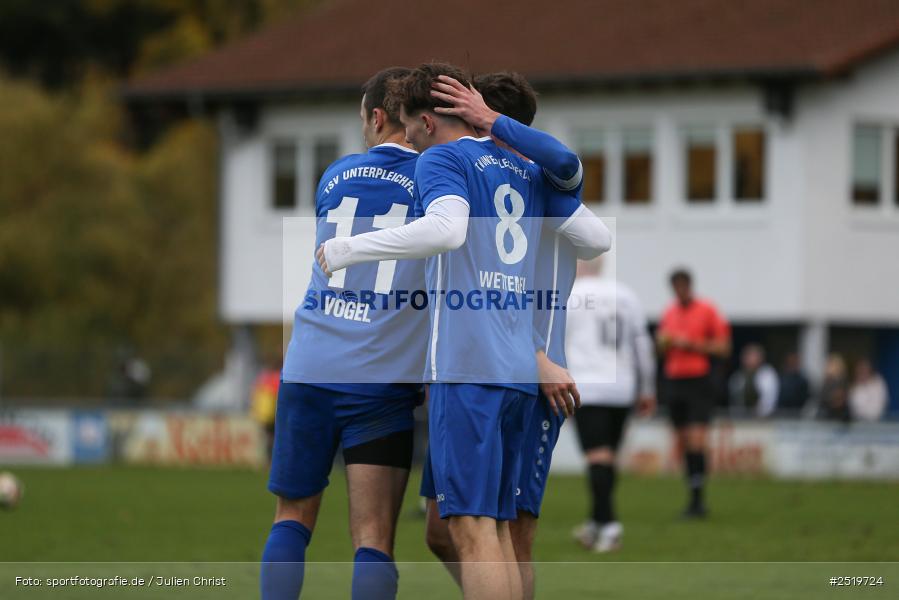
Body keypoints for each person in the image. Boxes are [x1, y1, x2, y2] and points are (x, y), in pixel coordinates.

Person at [318, 63, 609, 600]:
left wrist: (348, 247)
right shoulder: (527, 174)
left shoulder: (448, 160)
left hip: (473, 367)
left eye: (410, 128)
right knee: (482, 528)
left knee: (481, 531)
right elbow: (594, 229)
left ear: (428, 122)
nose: (406, 140)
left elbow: (449, 231)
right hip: (512, 372)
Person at [415, 71, 611, 600]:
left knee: (503, 533)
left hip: (526, 369)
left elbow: (593, 236)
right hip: (484, 365)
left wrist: (538, 355)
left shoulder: (540, 183)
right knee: (445, 530)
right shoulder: (481, 180)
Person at [260, 67, 427, 600]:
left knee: (291, 516)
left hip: (309, 363)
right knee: (374, 539)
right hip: (380, 376)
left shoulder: (335, 173)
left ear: (377, 117)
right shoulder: (438, 180)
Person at [567, 258, 656, 552]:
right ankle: (594, 524)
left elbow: (555, 342)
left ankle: (610, 526)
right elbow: (643, 346)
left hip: (588, 386)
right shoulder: (626, 294)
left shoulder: (569, 294)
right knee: (607, 458)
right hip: (622, 386)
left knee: (597, 458)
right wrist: (647, 389)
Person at [656, 268, 730, 519]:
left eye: (682, 286)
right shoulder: (669, 312)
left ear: (689, 286)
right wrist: (664, 344)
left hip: (699, 381)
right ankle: (694, 497)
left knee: (698, 440)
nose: (679, 291)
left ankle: (698, 500)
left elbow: (723, 348)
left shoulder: (707, 310)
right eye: (675, 287)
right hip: (675, 381)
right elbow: (660, 347)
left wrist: (692, 345)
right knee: (685, 441)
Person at [727, 344, 779, 418]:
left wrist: (759, 414)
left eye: (751, 356)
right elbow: (735, 401)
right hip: (742, 419)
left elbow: (769, 399)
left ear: (760, 358)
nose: (748, 359)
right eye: (746, 356)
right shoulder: (737, 376)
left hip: (764, 419)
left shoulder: (768, 374)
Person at [821, 353, 850, 423]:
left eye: (831, 365)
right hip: (827, 415)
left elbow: (838, 401)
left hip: (839, 417)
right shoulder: (826, 383)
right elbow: (822, 398)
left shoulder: (842, 382)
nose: (828, 367)